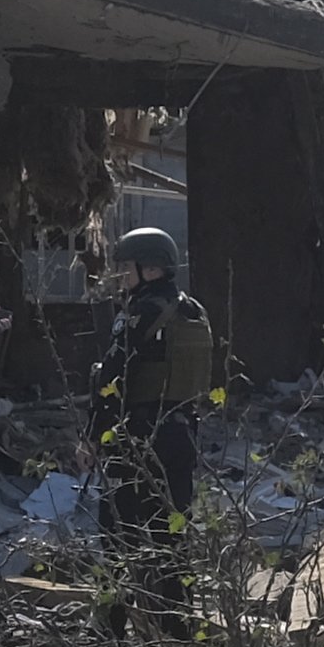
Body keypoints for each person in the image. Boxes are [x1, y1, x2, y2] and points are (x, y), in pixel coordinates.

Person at [86, 224, 210, 592]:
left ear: (152, 269)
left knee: (119, 537)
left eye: (128, 267)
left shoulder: (141, 312)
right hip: (182, 433)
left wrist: (92, 437)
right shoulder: (192, 311)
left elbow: (112, 378)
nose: (122, 275)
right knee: (171, 537)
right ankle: (177, 628)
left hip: (138, 437)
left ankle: (110, 638)